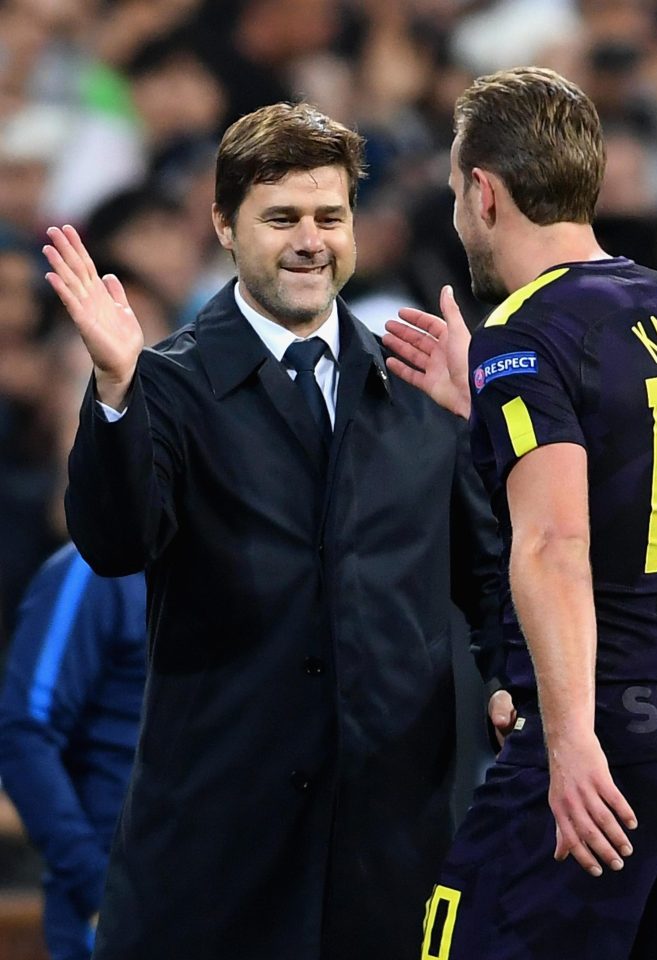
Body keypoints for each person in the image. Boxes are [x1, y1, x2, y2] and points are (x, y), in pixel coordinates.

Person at [41, 102, 502, 960]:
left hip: (390, 862)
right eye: (281, 218)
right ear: (223, 223)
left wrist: (520, 687)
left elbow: (486, 580)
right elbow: (113, 543)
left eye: (330, 217)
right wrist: (114, 393)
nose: (310, 240)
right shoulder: (166, 387)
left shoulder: (417, 384)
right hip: (216, 863)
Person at [383, 67, 657, 959]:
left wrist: (570, 739)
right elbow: (620, 463)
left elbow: (554, 543)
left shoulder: (525, 334)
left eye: (456, 193)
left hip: (609, 744)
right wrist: (493, 411)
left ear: (485, 191)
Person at [0, 543, 146, 960]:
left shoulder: (231, 572)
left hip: (214, 901)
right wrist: (98, 885)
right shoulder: (90, 570)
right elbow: (24, 732)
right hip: (113, 912)